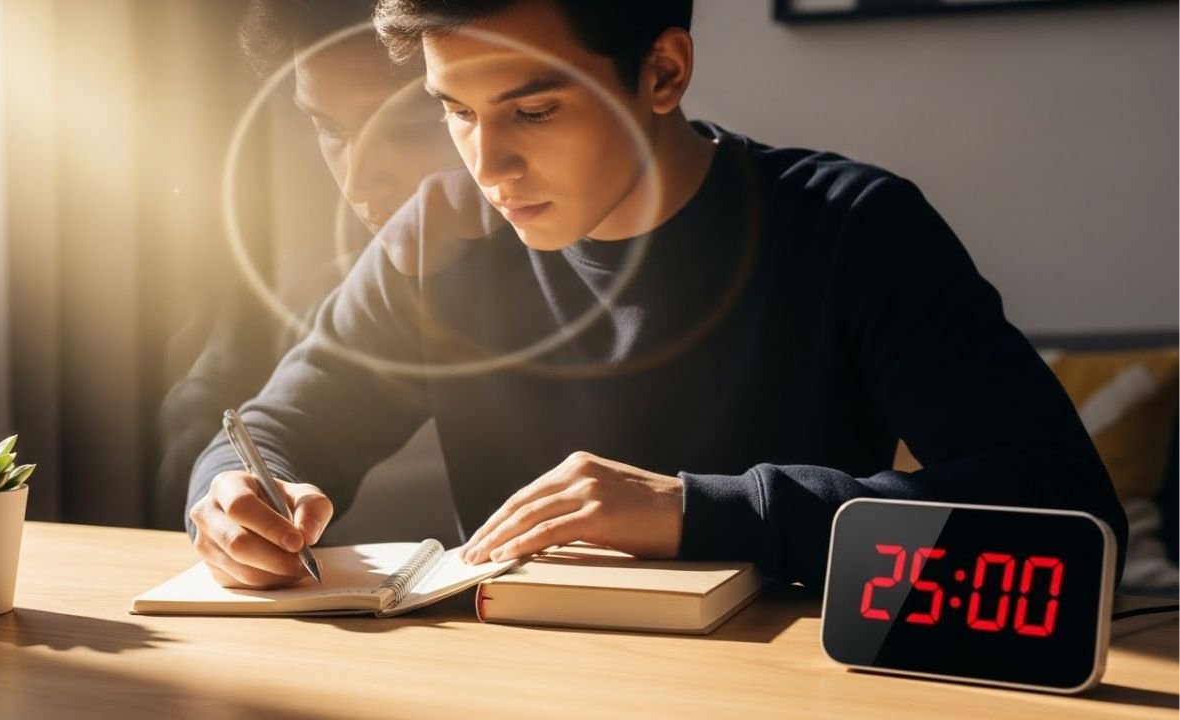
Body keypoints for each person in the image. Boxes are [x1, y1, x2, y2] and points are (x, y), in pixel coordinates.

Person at [185, 0, 1128, 591]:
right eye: (456, 113)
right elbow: (275, 430)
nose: (488, 165)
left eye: (533, 110)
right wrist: (231, 499)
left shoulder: (852, 230)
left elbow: (1063, 511)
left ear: (664, 72)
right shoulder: (444, 241)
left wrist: (698, 511)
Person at [155, 0, 463, 529]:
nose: (360, 183)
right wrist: (235, 504)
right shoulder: (412, 271)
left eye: (411, 126)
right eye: (332, 130)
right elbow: (276, 430)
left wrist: (663, 511)